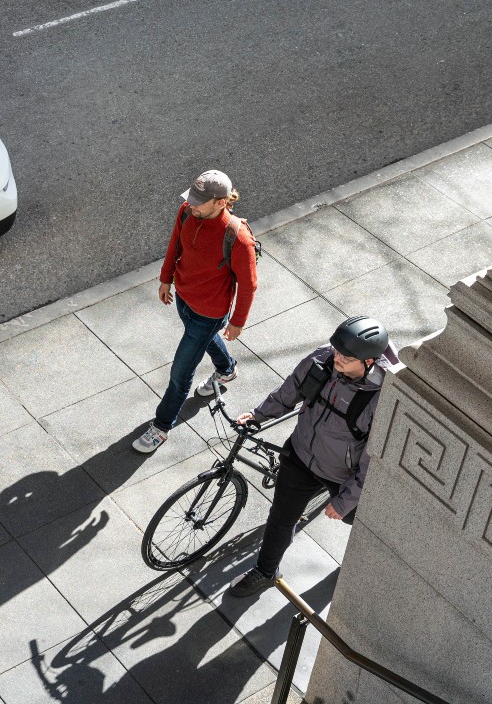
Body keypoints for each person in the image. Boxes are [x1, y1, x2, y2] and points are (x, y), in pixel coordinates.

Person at [227, 315, 396, 597]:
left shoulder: (382, 399)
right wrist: (258, 415)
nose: (337, 357)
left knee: (364, 524)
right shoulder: (323, 359)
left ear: (368, 362)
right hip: (302, 453)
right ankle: (265, 571)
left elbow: (372, 462)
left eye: (346, 356)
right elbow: (290, 389)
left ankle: (364, 566)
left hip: (344, 476)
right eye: (337, 350)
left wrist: (343, 503)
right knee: (281, 517)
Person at [133, 170, 258, 454]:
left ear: (220, 202)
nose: (191, 205)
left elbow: (249, 286)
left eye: (199, 201)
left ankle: (161, 427)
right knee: (201, 339)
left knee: (180, 373)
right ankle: (226, 370)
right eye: (191, 198)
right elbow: (174, 244)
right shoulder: (188, 212)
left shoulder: (238, 238)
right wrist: (166, 278)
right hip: (184, 299)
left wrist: (237, 322)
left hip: (209, 314)